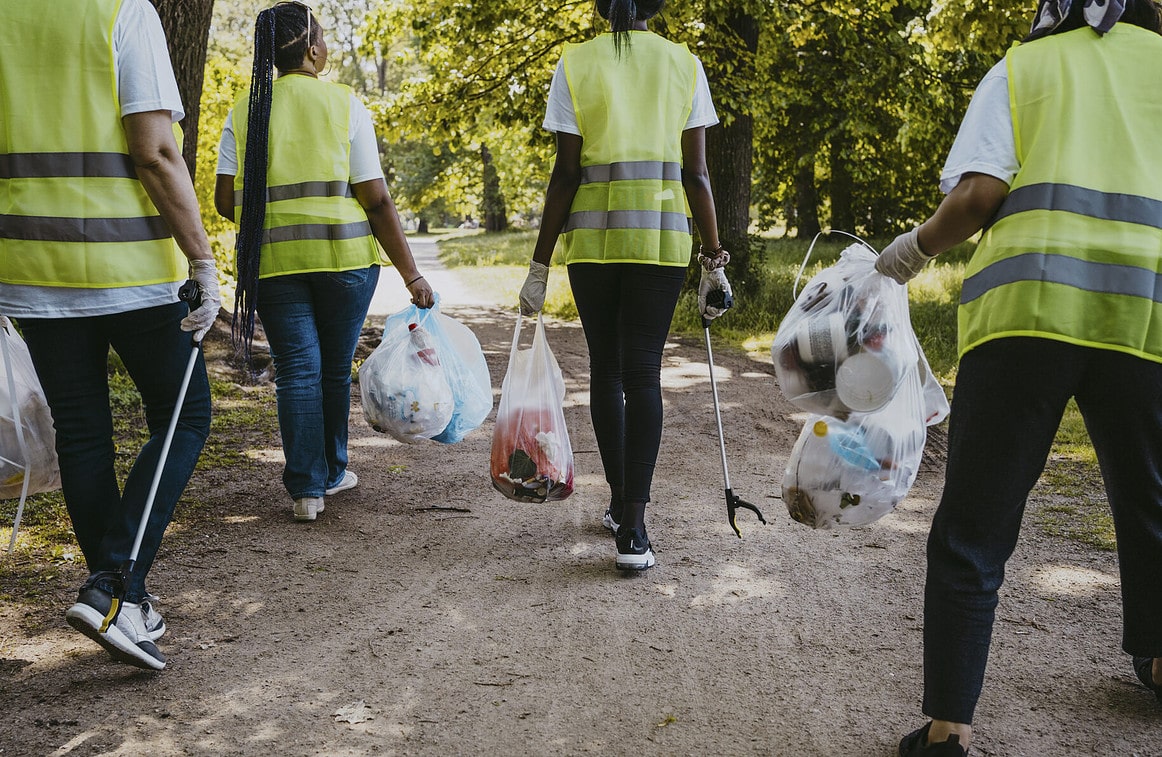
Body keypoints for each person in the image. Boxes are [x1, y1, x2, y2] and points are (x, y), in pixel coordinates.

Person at [875, 0, 1162, 752]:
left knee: (977, 521)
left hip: (1026, 313)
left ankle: (947, 730)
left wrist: (911, 251)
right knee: (1152, 500)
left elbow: (979, 195)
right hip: (1147, 317)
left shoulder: (1021, 68)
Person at [0, 0, 223, 670]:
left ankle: (119, 601)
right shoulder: (122, 12)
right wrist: (204, 259)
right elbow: (155, 150)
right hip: (127, 266)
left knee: (84, 432)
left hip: (32, 267)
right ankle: (114, 586)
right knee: (185, 414)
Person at [519, 0, 731, 571]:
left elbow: (565, 174)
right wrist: (714, 261)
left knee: (606, 371)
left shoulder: (575, 63)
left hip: (592, 246)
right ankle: (633, 526)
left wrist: (539, 266)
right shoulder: (684, 64)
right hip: (659, 246)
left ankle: (619, 504)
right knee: (643, 373)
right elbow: (697, 175)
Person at [215, 2, 434, 523]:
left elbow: (227, 203)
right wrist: (412, 273)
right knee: (334, 369)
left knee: (296, 371)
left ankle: (306, 490)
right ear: (312, 49)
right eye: (324, 37)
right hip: (345, 261)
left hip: (273, 263)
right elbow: (376, 198)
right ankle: (334, 472)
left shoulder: (246, 108)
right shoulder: (344, 104)